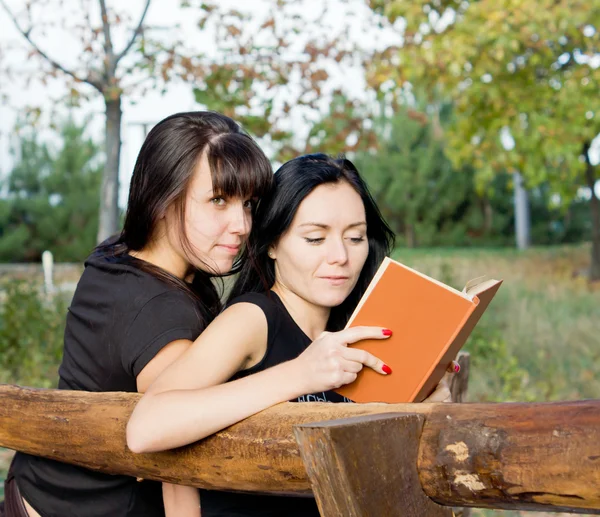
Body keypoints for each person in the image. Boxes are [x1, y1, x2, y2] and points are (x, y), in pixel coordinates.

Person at [126, 154, 455, 517]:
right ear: (271, 244)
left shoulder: (357, 329)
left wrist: (426, 412)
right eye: (315, 238)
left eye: (355, 237)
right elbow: (146, 427)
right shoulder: (251, 319)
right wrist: (301, 374)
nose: (340, 256)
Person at [5, 111, 274, 517]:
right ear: (164, 198)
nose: (241, 224)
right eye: (218, 200)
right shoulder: (158, 310)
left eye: (248, 204)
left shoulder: (121, 256)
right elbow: (175, 438)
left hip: (37, 487)